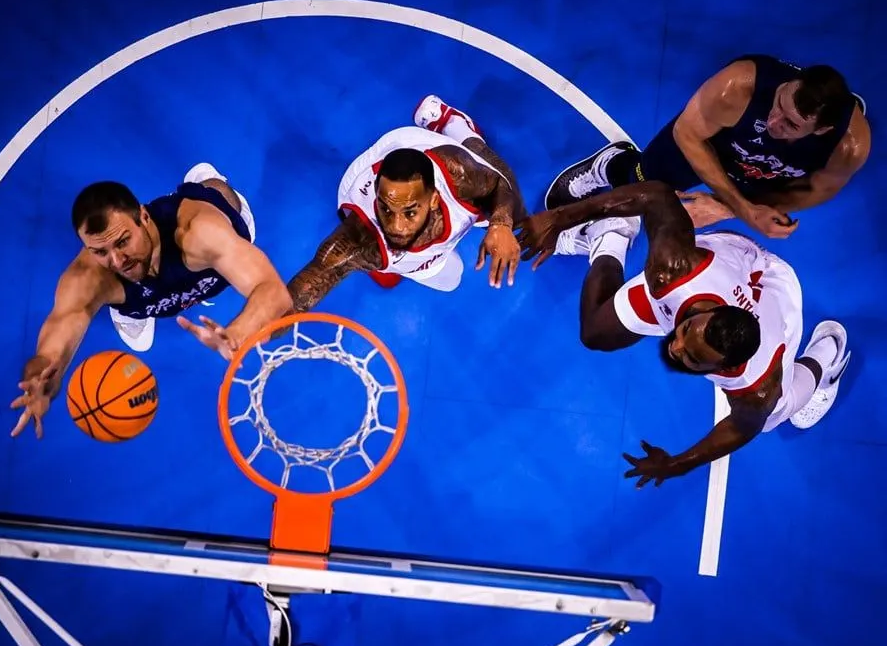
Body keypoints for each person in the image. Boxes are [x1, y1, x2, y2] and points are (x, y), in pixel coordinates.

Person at [516, 180, 852, 487]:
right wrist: (559, 218)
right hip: (730, 262)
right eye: (686, 331)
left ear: (722, 368)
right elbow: (655, 195)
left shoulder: (756, 387)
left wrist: (677, 464)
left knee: (774, 414)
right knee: (595, 333)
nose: (675, 346)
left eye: (692, 359)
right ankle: (612, 233)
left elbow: (738, 429)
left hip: (778, 293)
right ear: (708, 312)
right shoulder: (673, 269)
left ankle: (828, 355)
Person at [10, 164, 292, 438]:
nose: (117, 261)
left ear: (144, 217)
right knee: (124, 283)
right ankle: (132, 309)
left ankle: (203, 181)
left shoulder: (197, 233)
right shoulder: (90, 278)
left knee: (228, 206)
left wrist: (236, 333)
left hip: (205, 249)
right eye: (99, 251)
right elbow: (51, 353)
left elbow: (274, 291)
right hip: (141, 292)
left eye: (122, 242)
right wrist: (40, 382)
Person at [545, 55, 870, 239]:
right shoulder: (738, 87)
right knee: (641, 185)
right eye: (778, 104)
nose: (773, 122)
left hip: (766, 172)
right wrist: (744, 210)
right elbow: (687, 134)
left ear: (822, 128)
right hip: (712, 142)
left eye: (791, 124)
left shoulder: (849, 148)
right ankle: (611, 163)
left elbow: (816, 189)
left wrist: (728, 206)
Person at [285, 95, 527, 312]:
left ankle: (453, 126)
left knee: (512, 205)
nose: (396, 226)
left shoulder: (458, 175)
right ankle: (385, 264)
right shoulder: (357, 242)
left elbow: (498, 185)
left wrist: (501, 224)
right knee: (451, 279)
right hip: (360, 180)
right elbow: (291, 303)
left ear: (433, 200)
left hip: (419, 145)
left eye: (409, 213)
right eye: (386, 210)